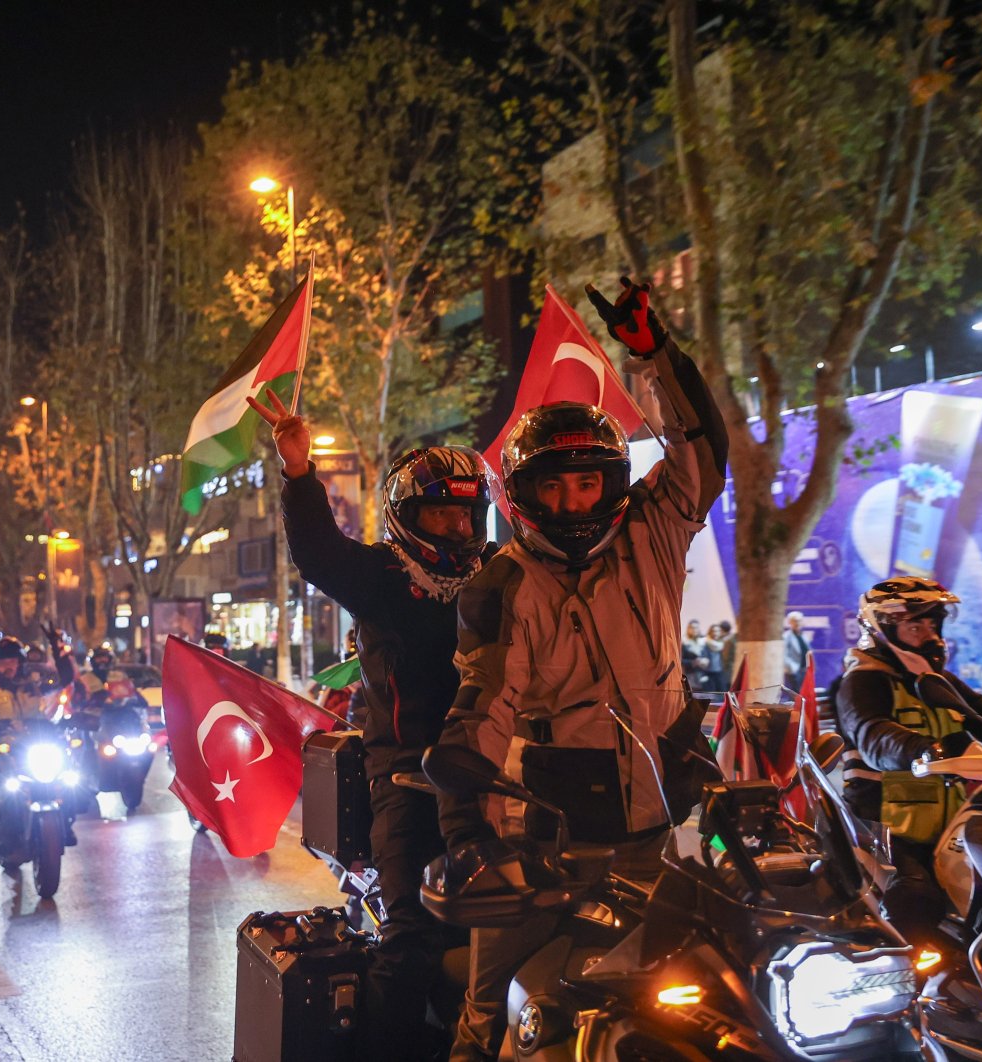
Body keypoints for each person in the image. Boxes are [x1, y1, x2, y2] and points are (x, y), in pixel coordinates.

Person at [433, 277, 728, 1061]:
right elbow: (485, 705)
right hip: (544, 843)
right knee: (496, 1008)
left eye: (588, 481)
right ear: (525, 495)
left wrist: (654, 355)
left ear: (613, 484)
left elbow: (700, 452)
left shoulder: (654, 534)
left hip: (664, 829)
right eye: (554, 486)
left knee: (697, 1001)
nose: (572, 501)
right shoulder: (504, 583)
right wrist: (469, 830)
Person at [246, 387, 499, 1062]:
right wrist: (300, 472)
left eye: (462, 514)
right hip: (408, 780)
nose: (452, 527)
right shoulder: (385, 575)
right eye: (439, 513)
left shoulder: (499, 577)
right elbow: (319, 553)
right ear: (409, 516)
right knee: (412, 939)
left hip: (499, 776)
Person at [833, 576, 982, 946]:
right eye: (916, 625)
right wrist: (925, 750)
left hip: (950, 824)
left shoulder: (932, 679)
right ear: (883, 629)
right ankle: (919, 986)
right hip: (886, 827)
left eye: (933, 624)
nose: (929, 635)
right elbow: (873, 735)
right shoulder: (863, 681)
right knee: (916, 898)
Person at [0, 630, 75, 848]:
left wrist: (57, 647)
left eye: (13, 661)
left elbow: (65, 678)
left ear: (20, 663)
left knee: (70, 777)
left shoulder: (36, 685)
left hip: (37, 744)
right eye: (3, 662)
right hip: (6, 747)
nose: (8, 666)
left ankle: (67, 820)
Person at [782, 610, 811, 692]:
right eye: (794, 621)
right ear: (790, 622)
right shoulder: (787, 637)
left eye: (799, 621)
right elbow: (784, 655)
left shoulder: (803, 635)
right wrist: (791, 669)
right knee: (795, 693)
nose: (797, 623)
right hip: (794, 671)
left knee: (804, 692)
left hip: (804, 669)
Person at [681, 620, 713, 692]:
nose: (694, 630)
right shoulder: (684, 643)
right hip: (691, 676)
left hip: (704, 676)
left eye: (696, 628)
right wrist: (694, 662)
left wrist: (707, 661)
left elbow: (709, 656)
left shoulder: (704, 642)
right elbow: (681, 660)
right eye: (692, 628)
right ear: (688, 629)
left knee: (706, 698)